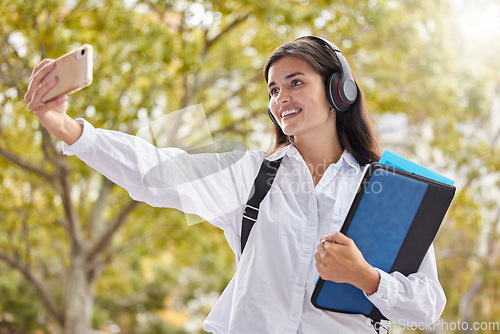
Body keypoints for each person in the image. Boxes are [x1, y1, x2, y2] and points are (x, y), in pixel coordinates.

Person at [25, 36, 446, 333]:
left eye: (296, 82)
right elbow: (156, 172)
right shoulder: (251, 176)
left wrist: (367, 278)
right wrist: (69, 129)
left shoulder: (389, 191)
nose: (281, 98)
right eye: (273, 89)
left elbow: (428, 306)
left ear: (340, 90)